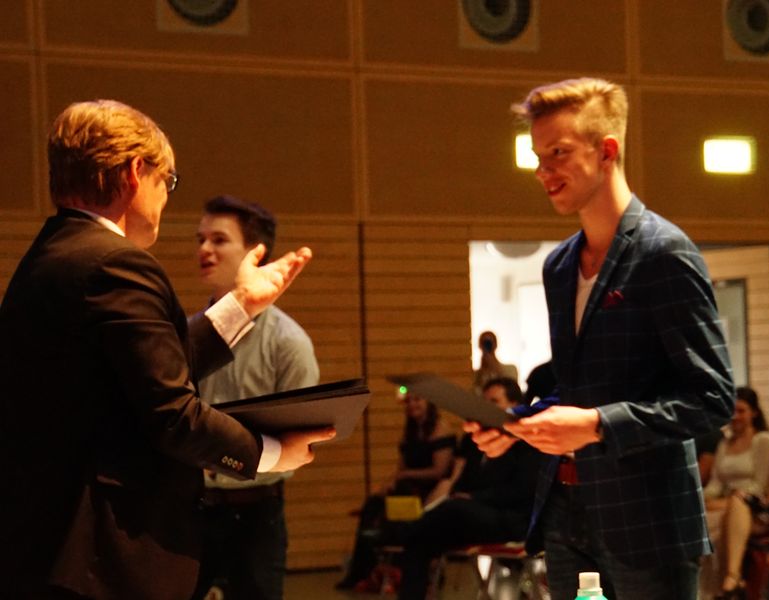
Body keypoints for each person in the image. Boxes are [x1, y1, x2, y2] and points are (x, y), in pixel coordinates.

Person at [0, 99, 334, 600]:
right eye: (167, 182)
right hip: (99, 559)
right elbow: (172, 413)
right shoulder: (116, 263)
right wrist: (271, 453)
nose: (165, 199)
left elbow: (149, 369)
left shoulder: (49, 256)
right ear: (136, 172)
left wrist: (242, 304)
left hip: (45, 544)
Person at [465, 78, 735, 600]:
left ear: (606, 151)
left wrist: (594, 426)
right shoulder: (560, 265)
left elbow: (712, 399)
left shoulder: (664, 253)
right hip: (566, 513)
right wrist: (517, 425)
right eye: (538, 157)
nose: (543, 171)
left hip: (648, 522)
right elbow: (580, 391)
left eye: (558, 153)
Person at [191, 196, 320, 600]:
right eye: (200, 239)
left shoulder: (289, 343)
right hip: (191, 511)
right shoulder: (186, 336)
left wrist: (221, 460)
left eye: (218, 240)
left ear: (255, 254)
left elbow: (298, 443)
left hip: (256, 515)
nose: (204, 249)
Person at [396, 377, 541, 600]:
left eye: (494, 401)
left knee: (448, 511)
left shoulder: (526, 441)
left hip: (509, 519)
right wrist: (463, 495)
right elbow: (461, 478)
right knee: (419, 541)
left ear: (514, 404)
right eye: (485, 401)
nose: (487, 407)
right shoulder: (474, 439)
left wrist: (473, 497)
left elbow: (521, 490)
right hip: (472, 515)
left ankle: (404, 531)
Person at [336, 392, 456, 591]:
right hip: (409, 487)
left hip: (433, 490)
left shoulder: (441, 429)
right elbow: (401, 468)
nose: (412, 404)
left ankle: (403, 566)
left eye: (417, 399)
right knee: (373, 503)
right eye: (408, 401)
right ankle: (362, 569)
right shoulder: (409, 432)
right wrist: (388, 484)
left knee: (397, 509)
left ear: (429, 402)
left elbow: (440, 471)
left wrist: (404, 475)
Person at [701, 387, 769, 599]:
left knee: (724, 517)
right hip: (726, 504)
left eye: (741, 411)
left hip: (755, 508)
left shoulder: (763, 440)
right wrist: (704, 499)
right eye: (732, 411)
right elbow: (715, 484)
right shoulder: (724, 443)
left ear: (754, 412)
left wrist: (725, 501)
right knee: (701, 523)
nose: (735, 416)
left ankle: (728, 582)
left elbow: (760, 486)